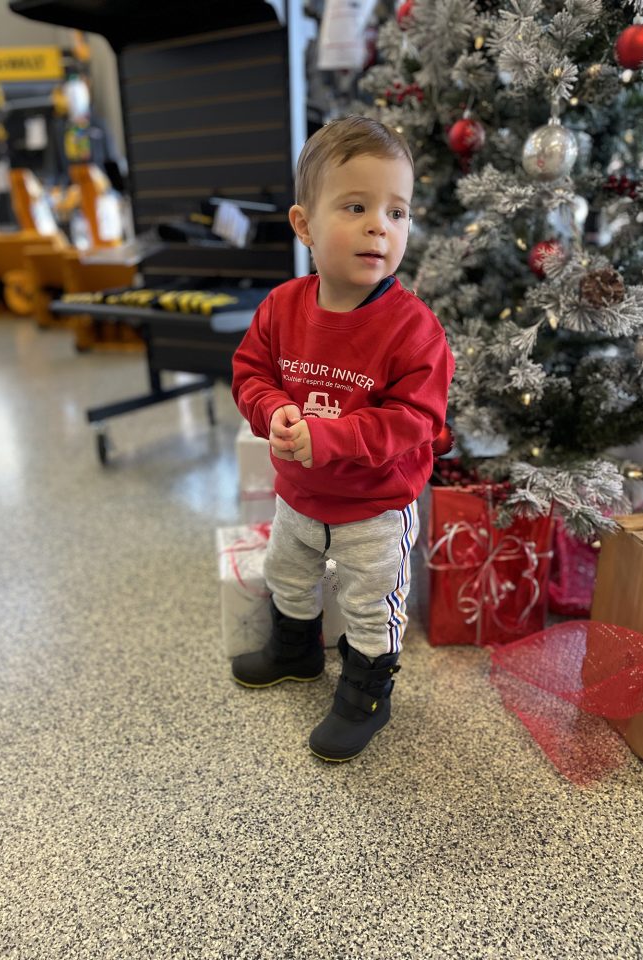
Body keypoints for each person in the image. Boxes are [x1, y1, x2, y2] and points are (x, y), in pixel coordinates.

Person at [230, 116, 455, 762]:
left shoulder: (416, 331)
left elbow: (416, 421)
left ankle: (365, 694)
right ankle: (296, 652)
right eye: (356, 206)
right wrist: (271, 411)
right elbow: (251, 373)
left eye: (397, 211)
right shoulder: (282, 308)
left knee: (369, 603)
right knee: (287, 574)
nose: (380, 226)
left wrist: (330, 438)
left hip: (373, 510)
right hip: (299, 496)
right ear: (304, 225)